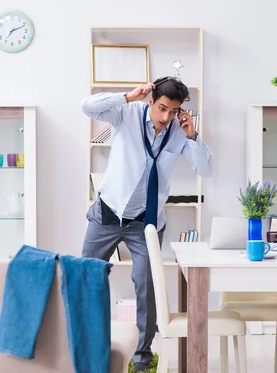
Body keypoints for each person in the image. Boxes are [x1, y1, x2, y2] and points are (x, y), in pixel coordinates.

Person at [80, 76, 213, 372]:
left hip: (146, 221)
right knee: (85, 278)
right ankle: (85, 346)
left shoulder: (178, 131)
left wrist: (192, 136)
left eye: (172, 111)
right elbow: (86, 106)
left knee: (147, 286)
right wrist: (128, 96)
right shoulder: (125, 113)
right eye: (162, 108)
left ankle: (142, 358)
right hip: (108, 213)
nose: (166, 117)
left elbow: (206, 168)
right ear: (151, 100)